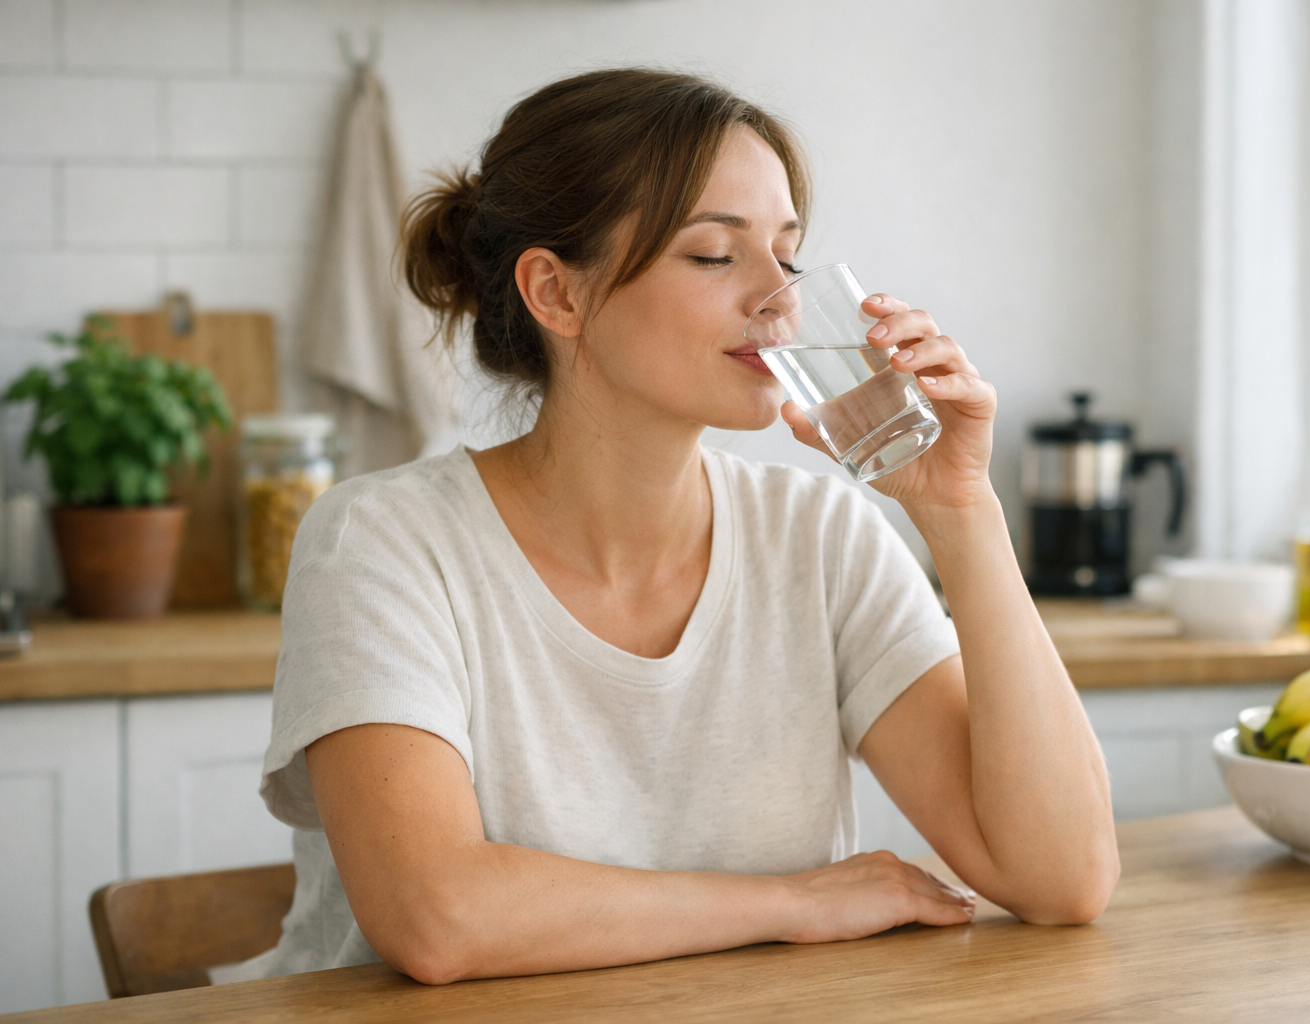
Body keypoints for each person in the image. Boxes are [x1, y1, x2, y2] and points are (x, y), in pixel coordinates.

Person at [243, 67, 1118, 985]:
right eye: (713, 254)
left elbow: (1063, 878)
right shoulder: (382, 543)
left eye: (788, 253)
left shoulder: (819, 536)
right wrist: (792, 903)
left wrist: (962, 512)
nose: (779, 297)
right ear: (557, 294)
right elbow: (438, 916)